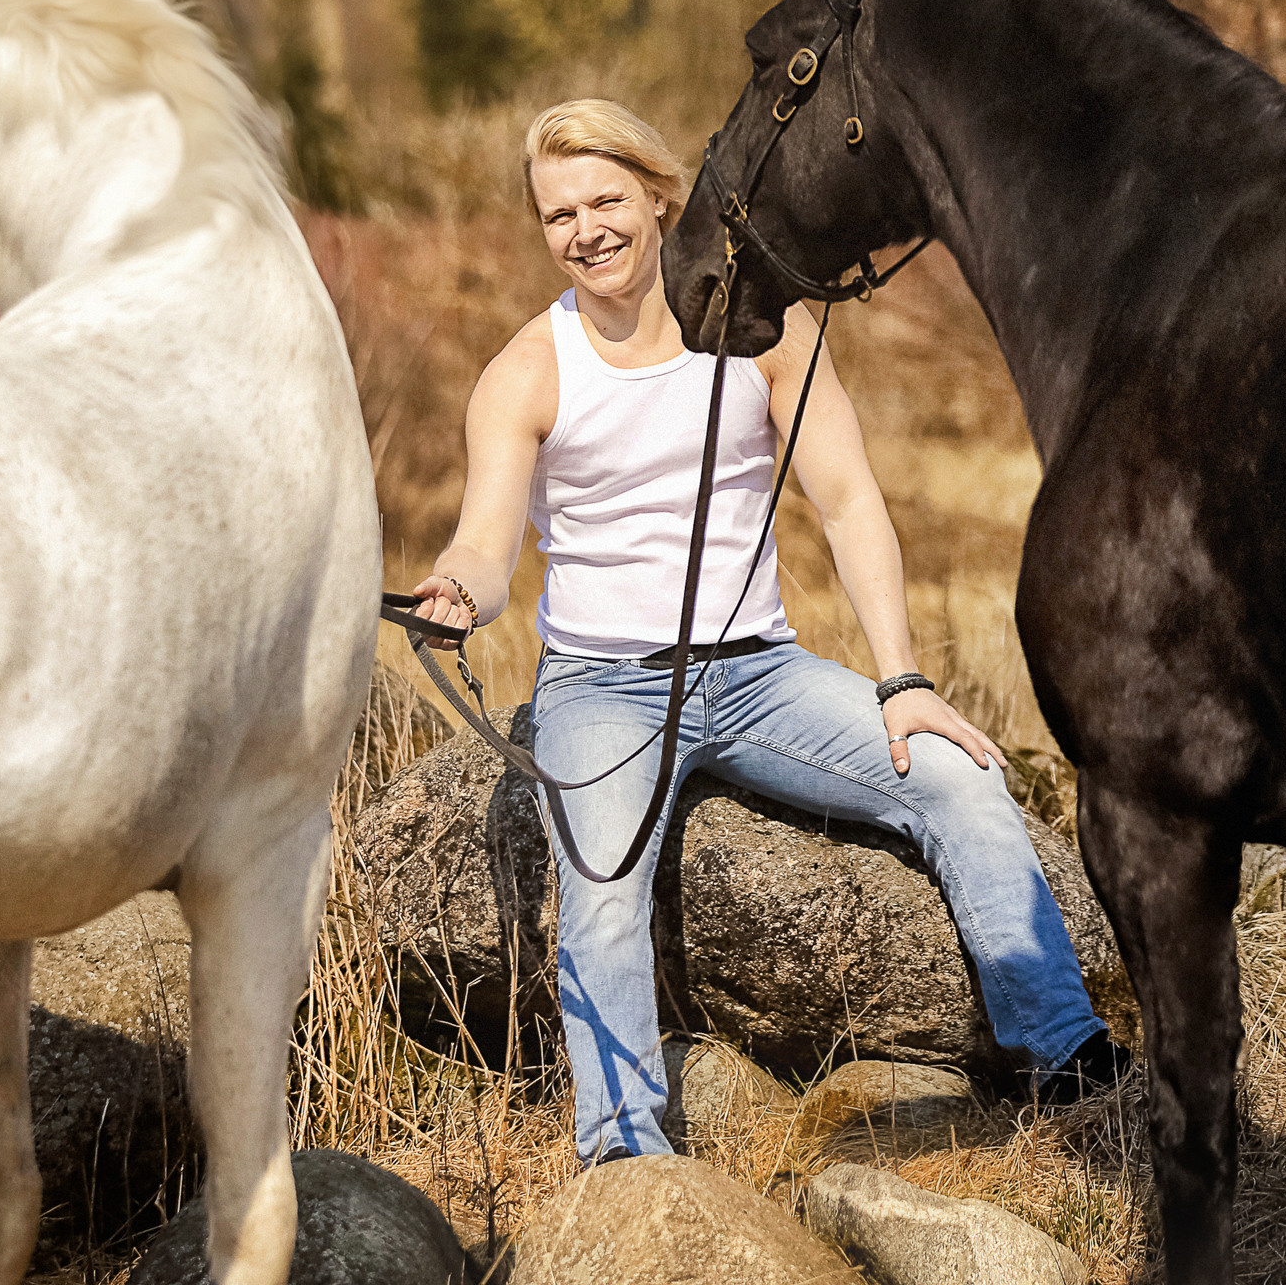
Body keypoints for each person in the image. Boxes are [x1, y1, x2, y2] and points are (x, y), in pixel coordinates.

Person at [411, 99, 1128, 1164]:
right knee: (601, 895)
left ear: (662, 198)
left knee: (960, 777)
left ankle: (1064, 1054)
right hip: (602, 690)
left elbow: (849, 501)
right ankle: (626, 1154)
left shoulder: (765, 330)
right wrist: (457, 592)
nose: (586, 231)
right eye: (559, 214)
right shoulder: (527, 371)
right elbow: (484, 544)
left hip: (760, 678)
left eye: (606, 201)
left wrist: (904, 681)